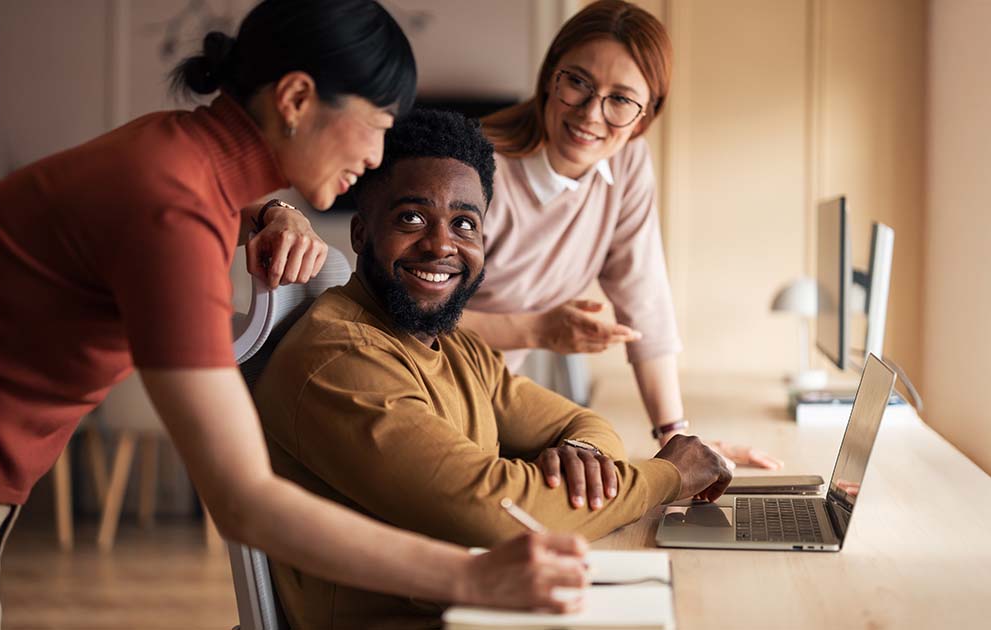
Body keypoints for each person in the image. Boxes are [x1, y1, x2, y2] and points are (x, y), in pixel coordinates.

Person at [0, 2, 587, 627]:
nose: (376, 156)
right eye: (375, 125)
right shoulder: (170, 208)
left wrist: (273, 211)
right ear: (296, 99)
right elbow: (242, 502)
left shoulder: (183, 164)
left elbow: (206, 192)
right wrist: (470, 578)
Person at [254, 108, 732, 629]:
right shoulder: (339, 360)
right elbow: (496, 516)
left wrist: (585, 455)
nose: (441, 244)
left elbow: (584, 425)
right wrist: (669, 475)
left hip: (483, 610)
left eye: (464, 223)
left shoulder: (455, 345)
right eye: (411, 218)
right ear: (362, 233)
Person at [461, 0, 783, 469]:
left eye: (621, 99)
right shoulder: (472, 166)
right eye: (578, 83)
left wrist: (677, 437)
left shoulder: (627, 162)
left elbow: (644, 300)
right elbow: (405, 312)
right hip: (425, 380)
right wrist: (535, 329)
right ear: (551, 75)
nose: (593, 113)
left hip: (493, 390)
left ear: (646, 114)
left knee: (599, 448)